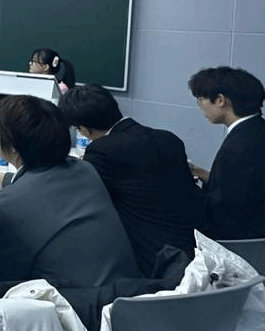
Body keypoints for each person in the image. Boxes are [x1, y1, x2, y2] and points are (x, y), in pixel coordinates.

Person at [0, 95, 141, 297]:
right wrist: (3, 179)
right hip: (127, 295)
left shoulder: (8, 202)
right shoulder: (85, 169)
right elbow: (46, 189)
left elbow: (6, 278)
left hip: (72, 307)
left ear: (12, 146)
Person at [58, 84, 199, 276]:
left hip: (151, 261)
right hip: (192, 251)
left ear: (84, 129)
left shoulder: (102, 151)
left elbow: (83, 199)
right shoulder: (169, 139)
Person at [187, 66, 265, 240]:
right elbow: (243, 187)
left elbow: (222, 210)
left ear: (220, 100)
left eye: (201, 99)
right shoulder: (257, 130)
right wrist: (200, 173)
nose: (201, 107)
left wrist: (183, 185)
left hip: (238, 241)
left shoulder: (237, 147)